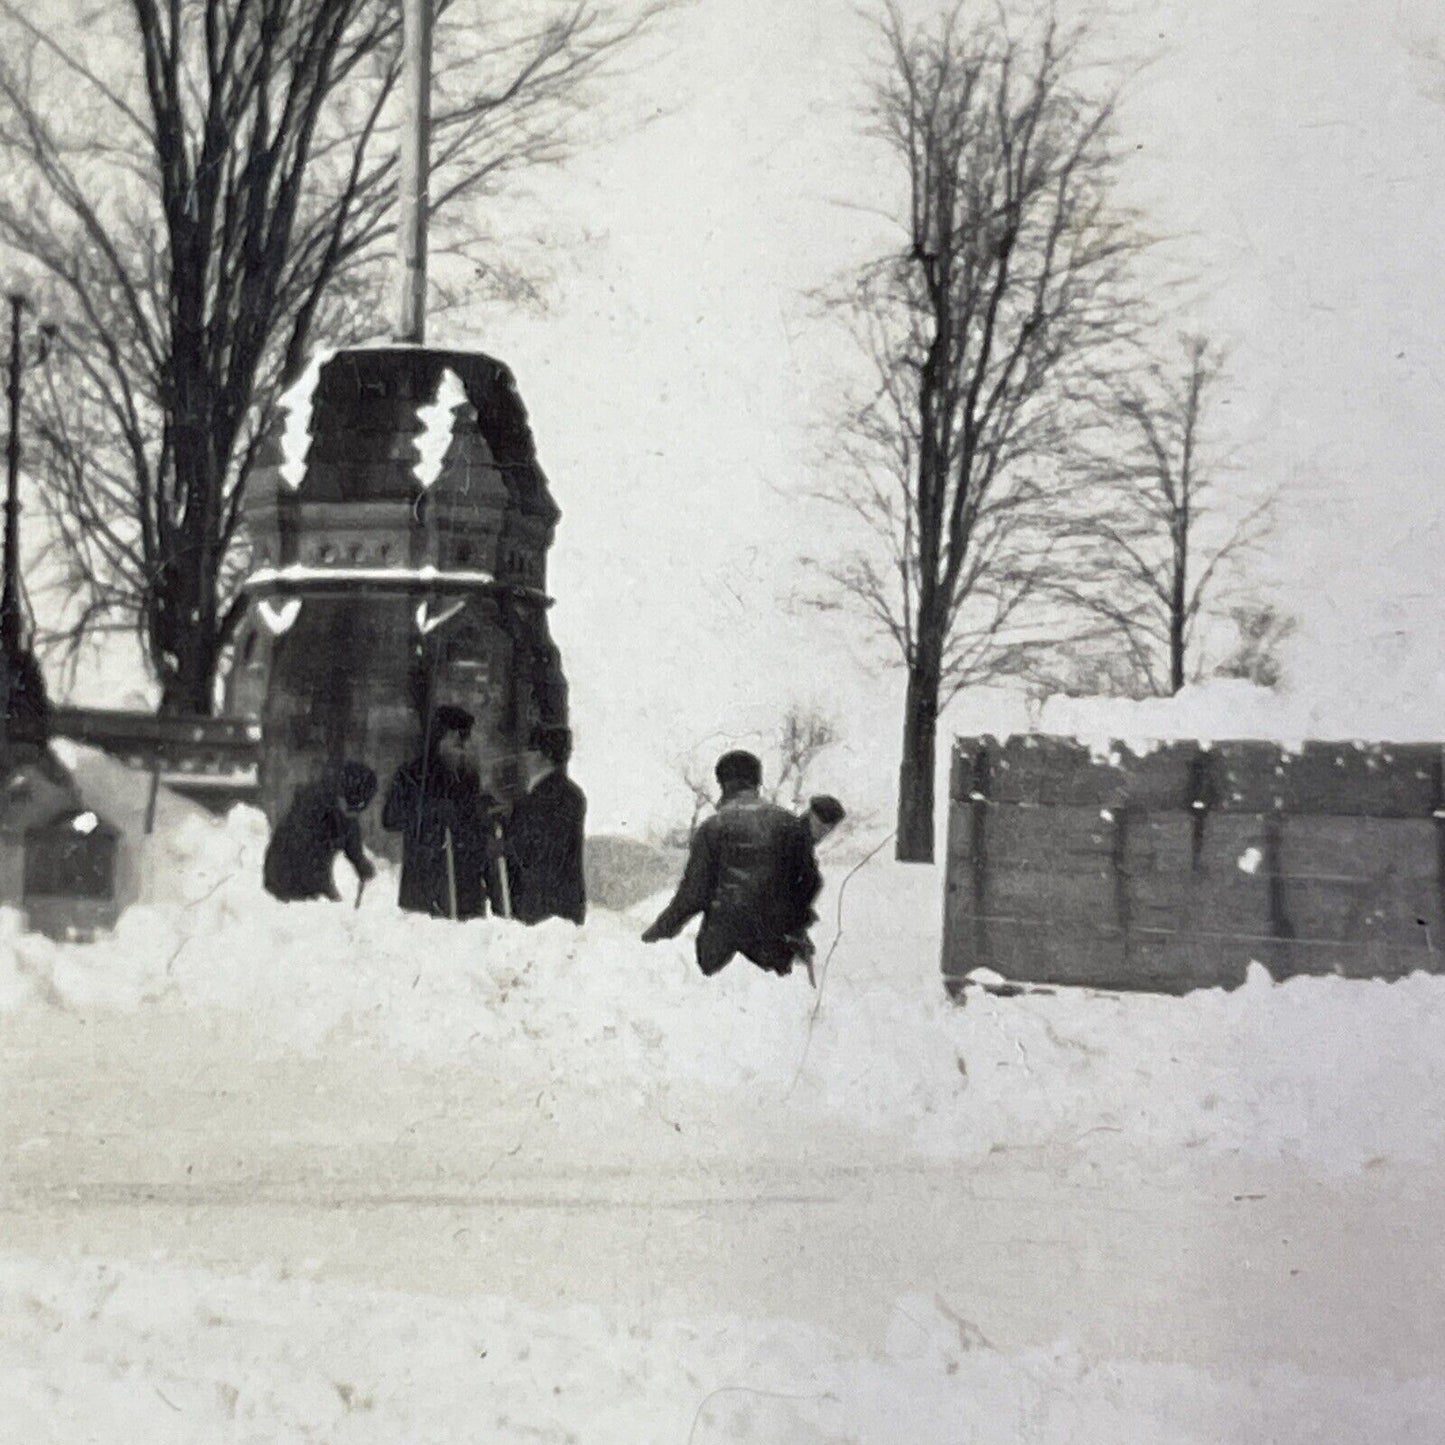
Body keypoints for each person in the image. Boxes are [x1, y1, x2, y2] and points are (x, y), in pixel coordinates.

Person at [640, 749, 818, 977]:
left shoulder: (712, 828)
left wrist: (656, 934)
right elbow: (810, 881)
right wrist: (792, 921)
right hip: (773, 951)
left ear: (723, 783)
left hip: (721, 951)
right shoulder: (791, 825)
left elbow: (692, 896)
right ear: (757, 782)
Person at [382, 705, 500, 920]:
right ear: (440, 739)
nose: (463, 748)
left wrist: (484, 813)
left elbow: (470, 829)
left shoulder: (468, 778)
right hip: (426, 891)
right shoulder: (413, 775)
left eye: (466, 739)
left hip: (465, 894)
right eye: (457, 740)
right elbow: (391, 818)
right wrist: (431, 810)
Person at [264, 760, 378, 903]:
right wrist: (324, 892)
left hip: (315, 876)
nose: (353, 812)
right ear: (341, 793)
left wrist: (361, 864)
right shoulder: (310, 809)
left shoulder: (346, 813)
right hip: (284, 874)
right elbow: (305, 854)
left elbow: (351, 840)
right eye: (351, 805)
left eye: (360, 806)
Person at [507, 724, 587, 926]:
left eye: (531, 750)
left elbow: (526, 851)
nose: (524, 756)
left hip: (537, 905)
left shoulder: (533, 801)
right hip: (567, 904)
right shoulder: (573, 795)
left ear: (543, 755)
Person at [781, 794, 847, 985]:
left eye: (827, 830)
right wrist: (796, 925)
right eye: (819, 826)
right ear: (810, 815)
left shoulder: (800, 837)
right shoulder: (795, 839)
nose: (822, 833)